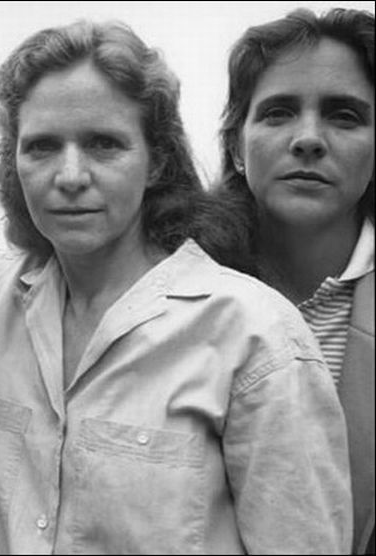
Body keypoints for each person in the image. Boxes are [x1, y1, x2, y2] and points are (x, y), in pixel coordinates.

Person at [0, 20, 353, 554]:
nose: (70, 175)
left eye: (104, 144)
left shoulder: (254, 335)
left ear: (156, 161)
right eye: (41, 147)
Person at [214, 8, 374, 554]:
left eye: (344, 116)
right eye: (278, 112)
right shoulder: (166, 292)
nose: (308, 139)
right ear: (236, 147)